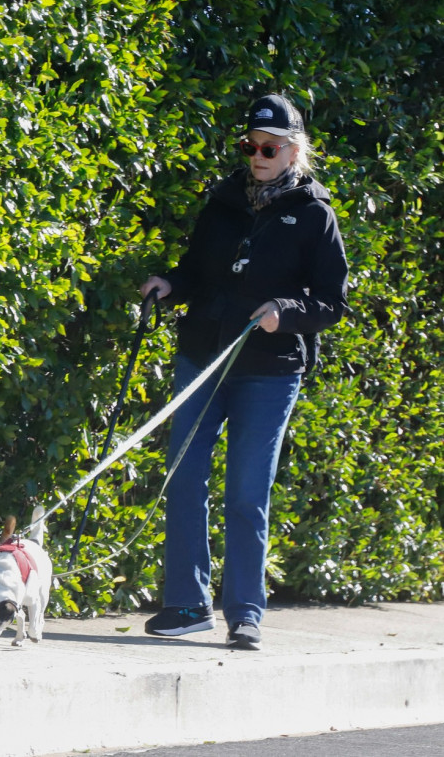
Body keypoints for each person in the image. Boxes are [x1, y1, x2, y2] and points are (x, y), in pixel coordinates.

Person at [140, 94, 348, 649]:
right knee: (183, 479)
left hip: (269, 371)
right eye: (250, 145)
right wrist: (171, 286)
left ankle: (246, 614)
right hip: (201, 358)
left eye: (269, 147)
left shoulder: (314, 214)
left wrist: (287, 313)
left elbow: (332, 301)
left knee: (246, 495)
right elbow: (196, 271)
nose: (257, 155)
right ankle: (186, 605)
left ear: (293, 151)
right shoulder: (224, 201)